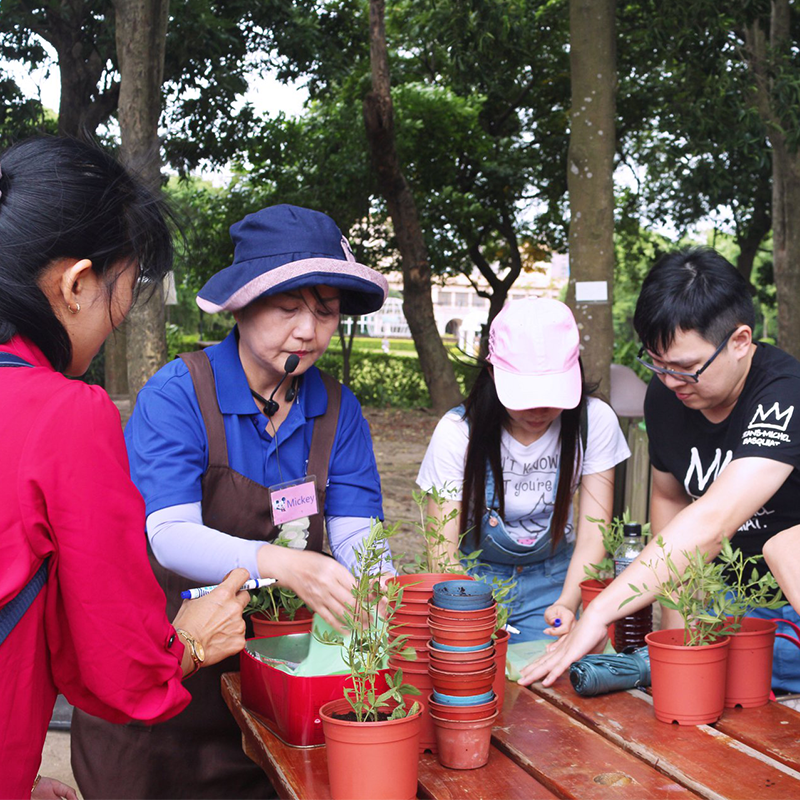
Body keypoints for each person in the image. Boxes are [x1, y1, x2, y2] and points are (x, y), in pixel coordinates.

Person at [71, 204, 391, 798]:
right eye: (289, 307)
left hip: (274, 695)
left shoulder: (338, 410)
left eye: (325, 311)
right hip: (164, 686)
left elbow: (357, 533)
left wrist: (377, 593)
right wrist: (284, 563)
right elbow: (169, 534)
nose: (308, 330)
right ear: (241, 305)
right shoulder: (180, 392)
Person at [0, 137, 251, 800]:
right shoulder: (66, 414)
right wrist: (190, 643)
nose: (118, 316)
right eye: (126, 289)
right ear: (77, 283)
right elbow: (117, 666)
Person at [522, 246, 800, 689]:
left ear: (741, 342)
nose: (670, 381)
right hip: (723, 597)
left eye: (686, 368)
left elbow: (713, 518)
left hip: (787, 601)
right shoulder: (667, 394)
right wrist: (679, 626)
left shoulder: (784, 393)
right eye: (657, 363)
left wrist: (598, 612)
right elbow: (670, 497)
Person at [416, 298, 630, 642]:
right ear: (493, 374)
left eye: (552, 392)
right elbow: (442, 551)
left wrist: (567, 602)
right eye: (525, 394)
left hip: (557, 580)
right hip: (473, 581)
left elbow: (594, 534)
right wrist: (471, 606)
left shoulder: (595, 421)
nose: (540, 408)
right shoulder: (457, 432)